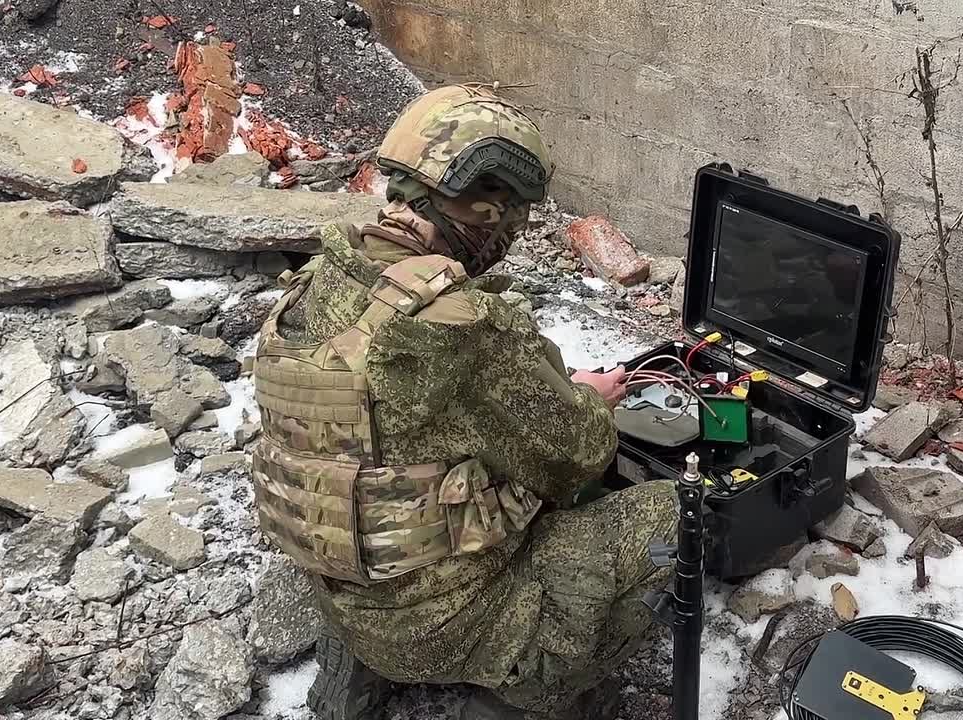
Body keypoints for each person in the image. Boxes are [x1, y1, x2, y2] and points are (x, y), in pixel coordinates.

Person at [249, 83, 677, 720]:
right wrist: (584, 397)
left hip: (342, 594)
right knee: (671, 513)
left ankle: (356, 670)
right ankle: (533, 687)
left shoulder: (314, 285)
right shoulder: (461, 323)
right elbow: (577, 457)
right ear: (483, 207)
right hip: (448, 628)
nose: (515, 232)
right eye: (515, 216)